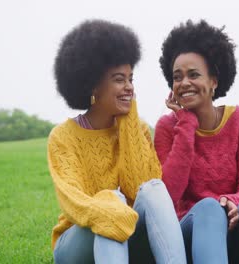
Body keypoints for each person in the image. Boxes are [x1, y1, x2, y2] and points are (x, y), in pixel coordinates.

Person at [48, 19, 186, 264]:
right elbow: (74, 202)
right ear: (93, 84)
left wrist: (128, 120)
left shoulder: (138, 129)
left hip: (127, 236)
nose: (129, 87)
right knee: (111, 202)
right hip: (77, 243)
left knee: (154, 188)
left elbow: (138, 188)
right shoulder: (63, 137)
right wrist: (110, 208)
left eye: (131, 79)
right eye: (119, 79)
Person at [155, 20, 239, 264]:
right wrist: (185, 125)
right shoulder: (167, 128)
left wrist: (231, 202)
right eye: (177, 77)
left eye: (193, 74)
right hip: (190, 235)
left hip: (233, 230)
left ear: (213, 81)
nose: (184, 83)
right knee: (207, 208)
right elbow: (168, 196)